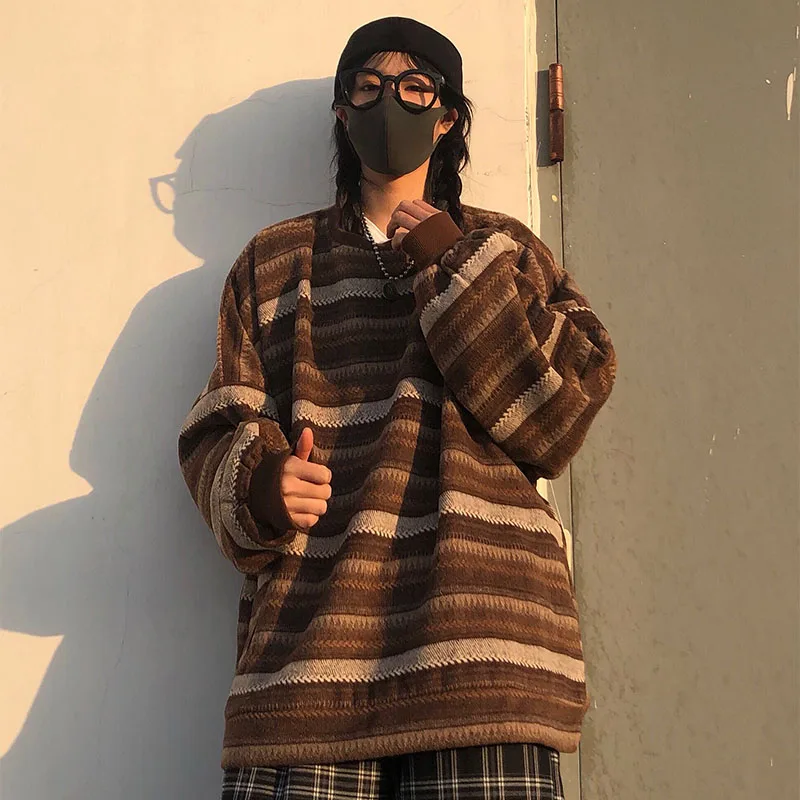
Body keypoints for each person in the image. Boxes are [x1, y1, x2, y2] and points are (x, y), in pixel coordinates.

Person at [177, 15, 617, 800]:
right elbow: (217, 429)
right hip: (311, 667)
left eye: (415, 88)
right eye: (368, 86)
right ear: (342, 111)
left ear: (446, 118)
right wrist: (262, 485)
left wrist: (456, 266)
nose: (390, 102)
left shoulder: (506, 248)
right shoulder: (274, 262)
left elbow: (561, 414)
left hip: (484, 656)